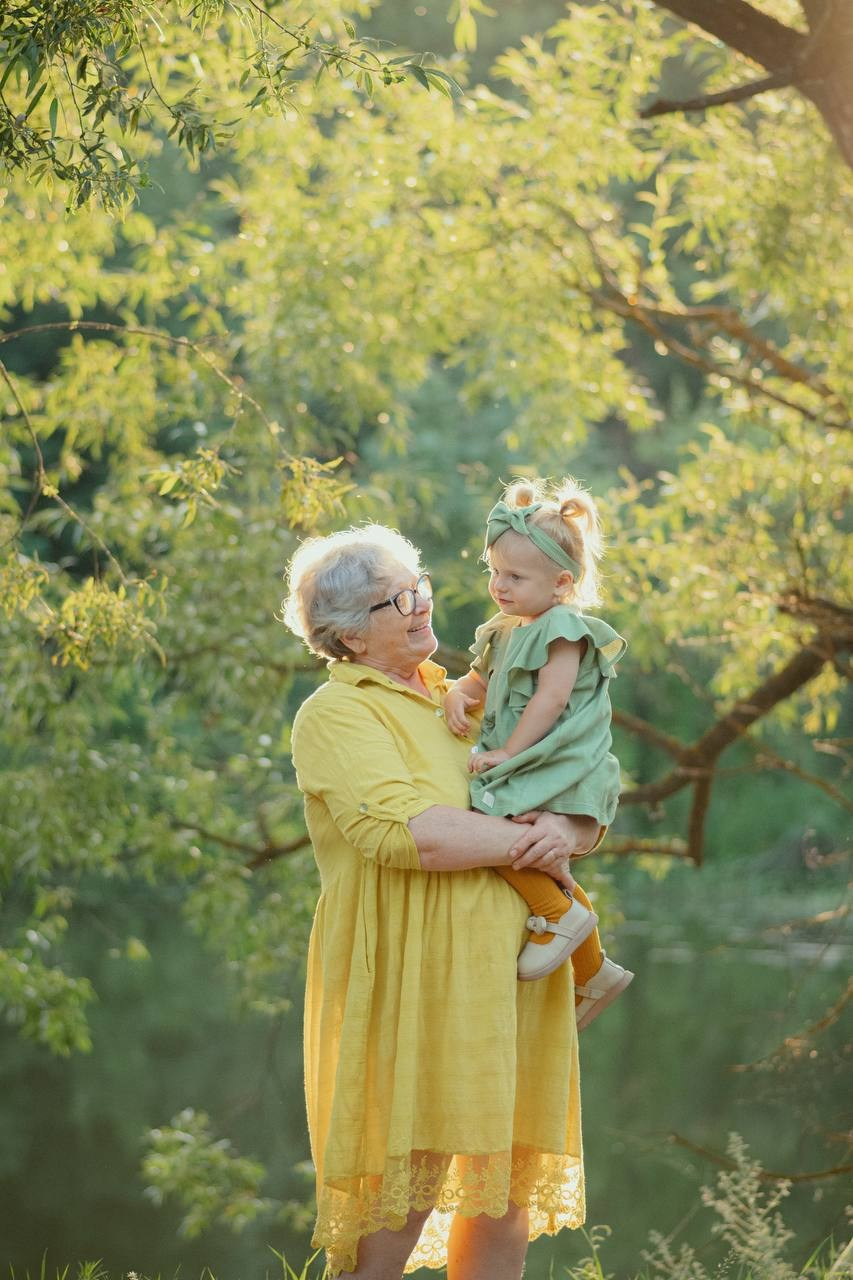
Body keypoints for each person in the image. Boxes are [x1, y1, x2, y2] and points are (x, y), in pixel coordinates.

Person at [283, 524, 599, 1280]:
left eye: (418, 586)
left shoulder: (462, 694)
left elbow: (565, 776)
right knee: (398, 1196)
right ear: (349, 635)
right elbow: (408, 835)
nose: (423, 605)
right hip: (409, 978)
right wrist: (527, 842)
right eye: (399, 598)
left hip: (512, 974)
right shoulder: (334, 715)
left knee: (502, 1199)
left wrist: (566, 826)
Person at [444, 478, 633, 1025]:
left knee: (488, 823)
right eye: (495, 573)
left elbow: (550, 699)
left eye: (515, 577)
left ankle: (557, 913)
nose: (499, 586)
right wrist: (459, 693)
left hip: (563, 766)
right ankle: (595, 971)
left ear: (561, 582)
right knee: (533, 849)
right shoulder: (505, 632)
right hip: (539, 765)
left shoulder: (564, 629)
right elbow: (478, 682)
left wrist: (506, 752)